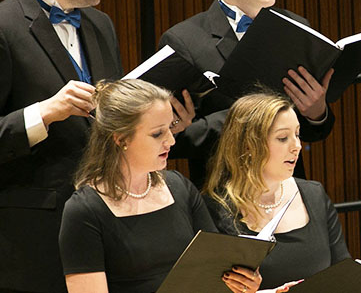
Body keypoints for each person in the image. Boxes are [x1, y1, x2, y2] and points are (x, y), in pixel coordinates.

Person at [0, 0, 125, 293]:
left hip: (107, 226)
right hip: (37, 238)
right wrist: (44, 113)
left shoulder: (101, 24)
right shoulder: (4, 27)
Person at [159, 0, 335, 185]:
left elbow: (314, 132)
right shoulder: (183, 41)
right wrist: (252, 115)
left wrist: (316, 112)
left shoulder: (297, 26)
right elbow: (177, 142)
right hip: (223, 196)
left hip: (288, 191)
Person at [59, 79, 260, 293]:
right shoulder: (84, 210)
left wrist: (241, 283)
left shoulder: (179, 187)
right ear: (120, 139)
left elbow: (216, 274)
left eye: (170, 128)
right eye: (157, 133)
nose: (171, 141)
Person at [204, 92, 350, 291]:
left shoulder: (314, 194)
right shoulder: (215, 209)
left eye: (297, 135)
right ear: (249, 145)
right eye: (283, 138)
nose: (296, 146)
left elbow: (343, 273)